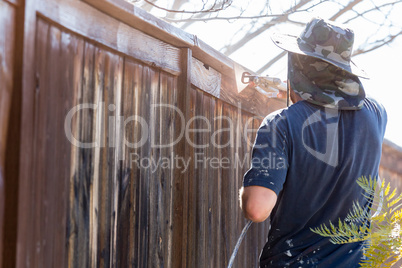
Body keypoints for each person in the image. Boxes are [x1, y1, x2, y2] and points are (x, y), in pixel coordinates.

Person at [239, 17, 387, 267]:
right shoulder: (376, 114)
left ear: (297, 64)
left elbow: (257, 208)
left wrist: (249, 188)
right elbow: (339, 104)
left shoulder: (280, 124)